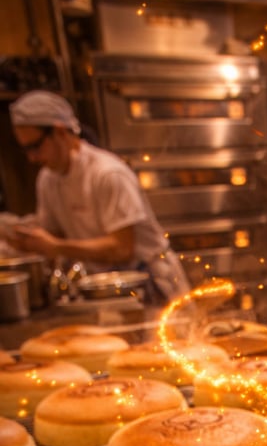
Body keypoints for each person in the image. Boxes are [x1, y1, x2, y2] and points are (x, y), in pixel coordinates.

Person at [4, 90, 190, 306]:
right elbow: (53, 233)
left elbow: (121, 248)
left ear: (60, 132)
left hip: (151, 285)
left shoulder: (107, 173)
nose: (31, 158)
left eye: (35, 146)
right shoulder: (47, 179)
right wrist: (23, 240)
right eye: (26, 149)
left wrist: (56, 247)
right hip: (107, 290)